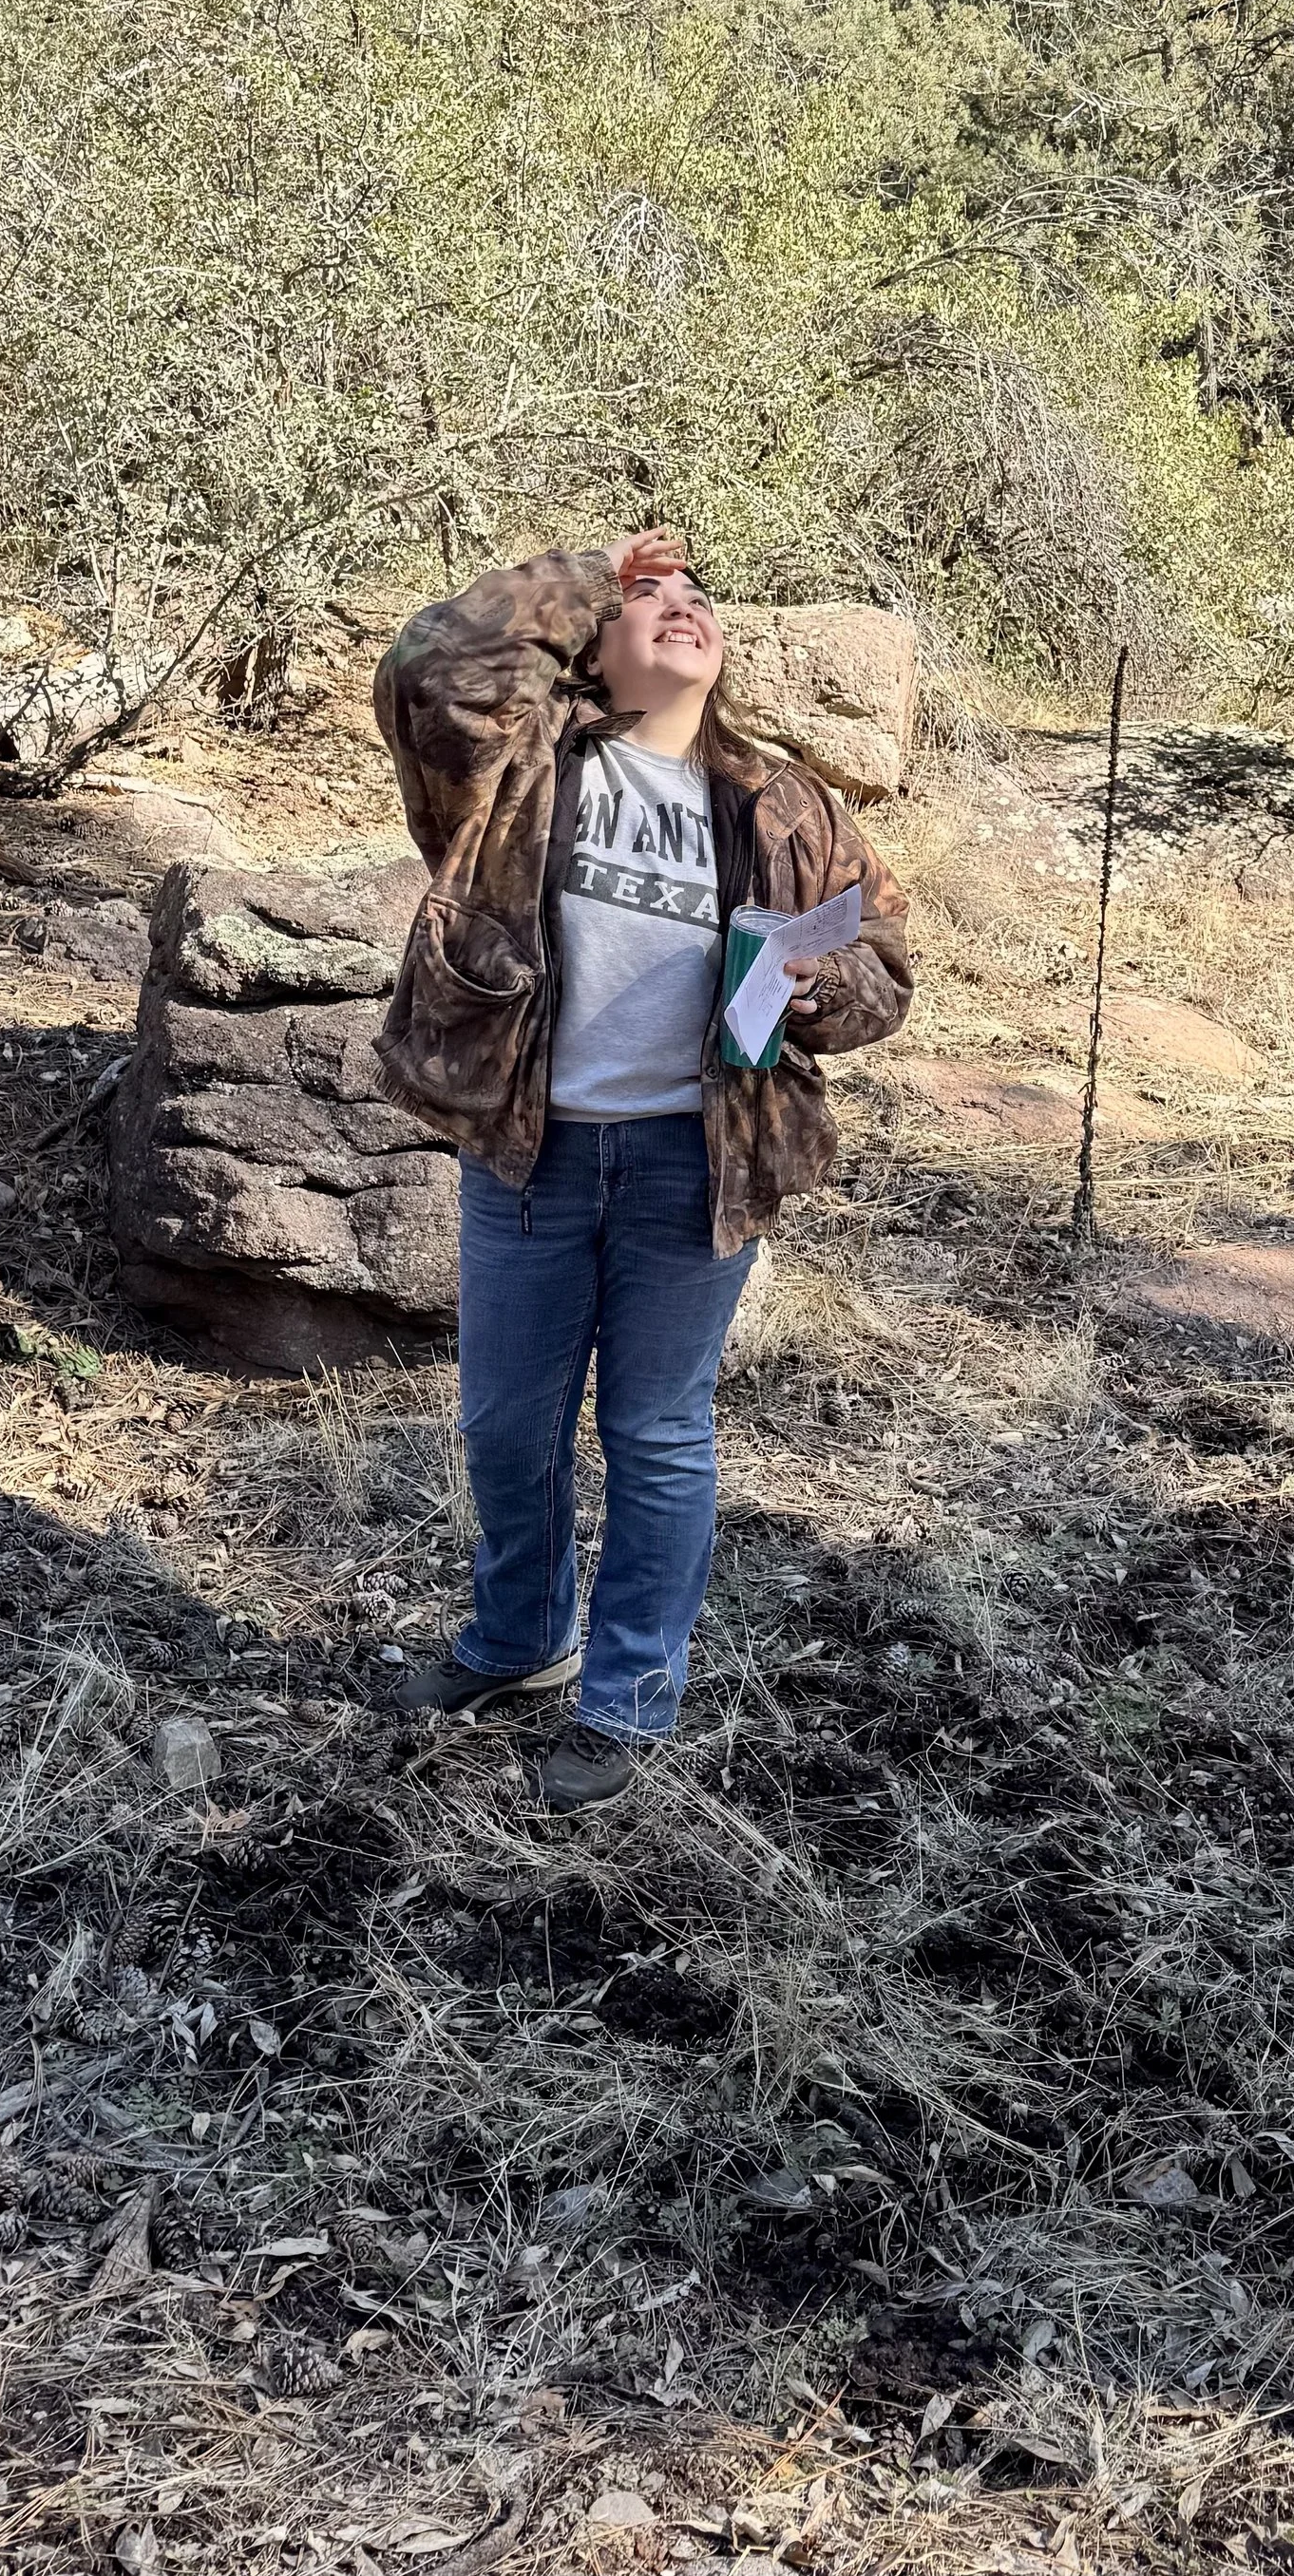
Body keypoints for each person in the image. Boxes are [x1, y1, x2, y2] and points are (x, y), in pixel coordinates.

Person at [371, 530, 911, 1811]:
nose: (678, 610)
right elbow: (426, 669)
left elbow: (885, 968)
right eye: (646, 604)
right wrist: (587, 568)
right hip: (529, 1152)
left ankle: (625, 1699)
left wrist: (815, 980)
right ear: (592, 645)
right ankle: (519, 1643)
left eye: (696, 600)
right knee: (507, 1425)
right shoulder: (521, 762)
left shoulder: (787, 804)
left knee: (657, 1432)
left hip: (698, 1162)